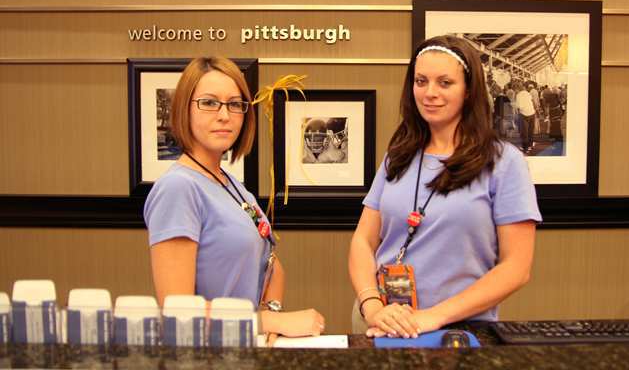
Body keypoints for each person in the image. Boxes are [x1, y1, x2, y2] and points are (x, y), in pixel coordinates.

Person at [348, 35, 541, 339]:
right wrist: (371, 305)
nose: (429, 93)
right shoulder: (397, 156)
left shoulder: (504, 163)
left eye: (445, 83)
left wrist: (432, 318)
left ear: (468, 91)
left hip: (457, 331)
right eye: (421, 81)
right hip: (381, 324)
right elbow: (362, 240)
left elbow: (516, 267)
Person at [144, 56, 325, 339]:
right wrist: (269, 323)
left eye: (235, 104)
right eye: (209, 102)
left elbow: (271, 263)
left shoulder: (232, 185)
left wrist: (270, 314)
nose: (224, 115)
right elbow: (177, 311)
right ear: (183, 109)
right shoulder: (178, 188)